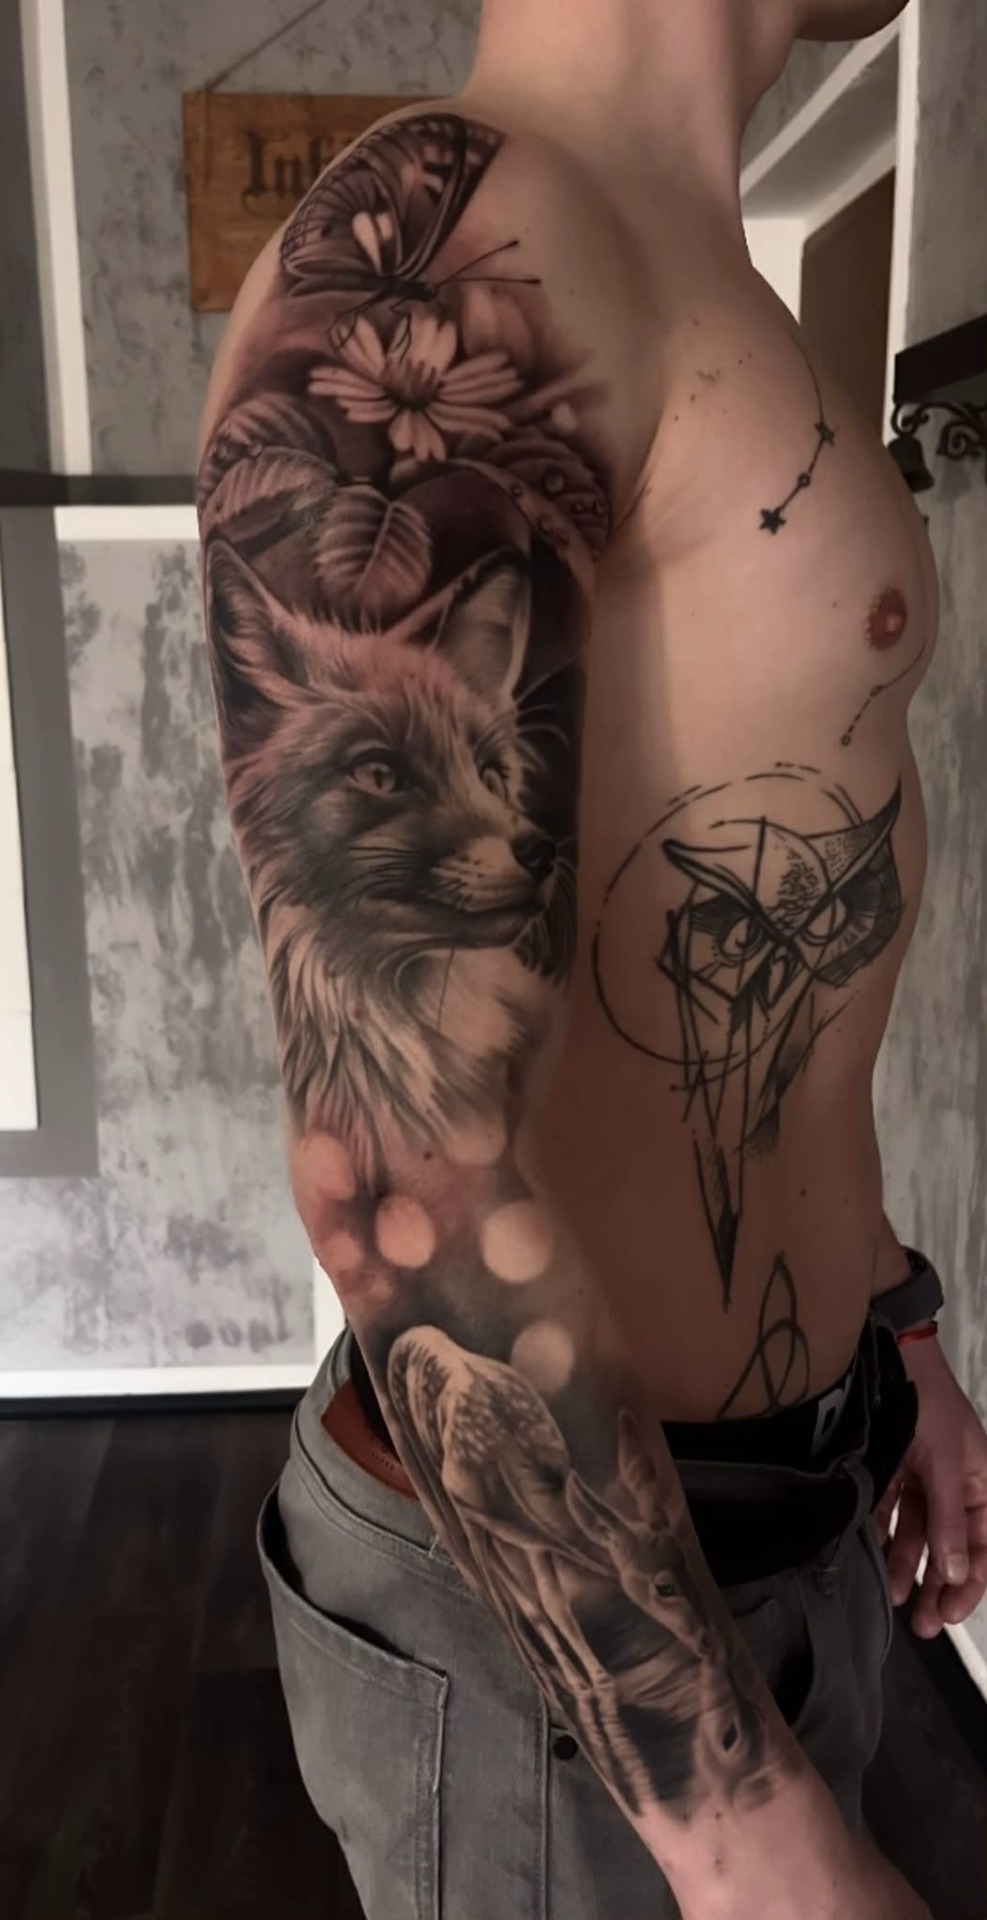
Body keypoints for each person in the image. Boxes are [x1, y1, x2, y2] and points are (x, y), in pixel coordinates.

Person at [197, 1, 987, 1913]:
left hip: (785, 1504)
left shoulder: (690, 258)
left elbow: (750, 950)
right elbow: (399, 1166)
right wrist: (757, 1851)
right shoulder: (450, 249)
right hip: (576, 1611)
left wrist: (890, 1323)